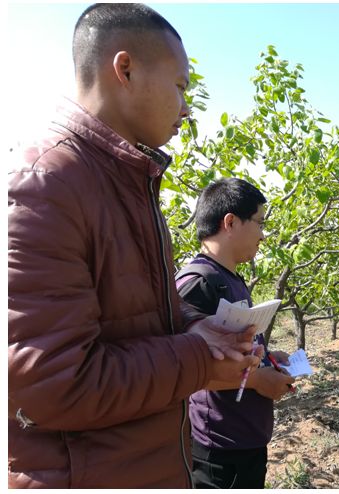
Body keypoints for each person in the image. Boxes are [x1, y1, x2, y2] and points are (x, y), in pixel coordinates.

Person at [7, 4, 259, 488]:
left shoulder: (126, 183)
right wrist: (201, 357)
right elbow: (53, 384)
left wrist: (197, 327)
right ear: (124, 69)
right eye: (182, 87)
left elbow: (131, 321)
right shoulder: (46, 185)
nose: (186, 108)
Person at [175, 178, 296, 488]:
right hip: (217, 449)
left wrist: (267, 359)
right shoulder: (197, 283)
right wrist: (259, 380)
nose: (264, 235)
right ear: (230, 222)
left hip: (245, 439)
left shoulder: (230, 279)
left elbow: (232, 349)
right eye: (259, 222)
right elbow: (179, 370)